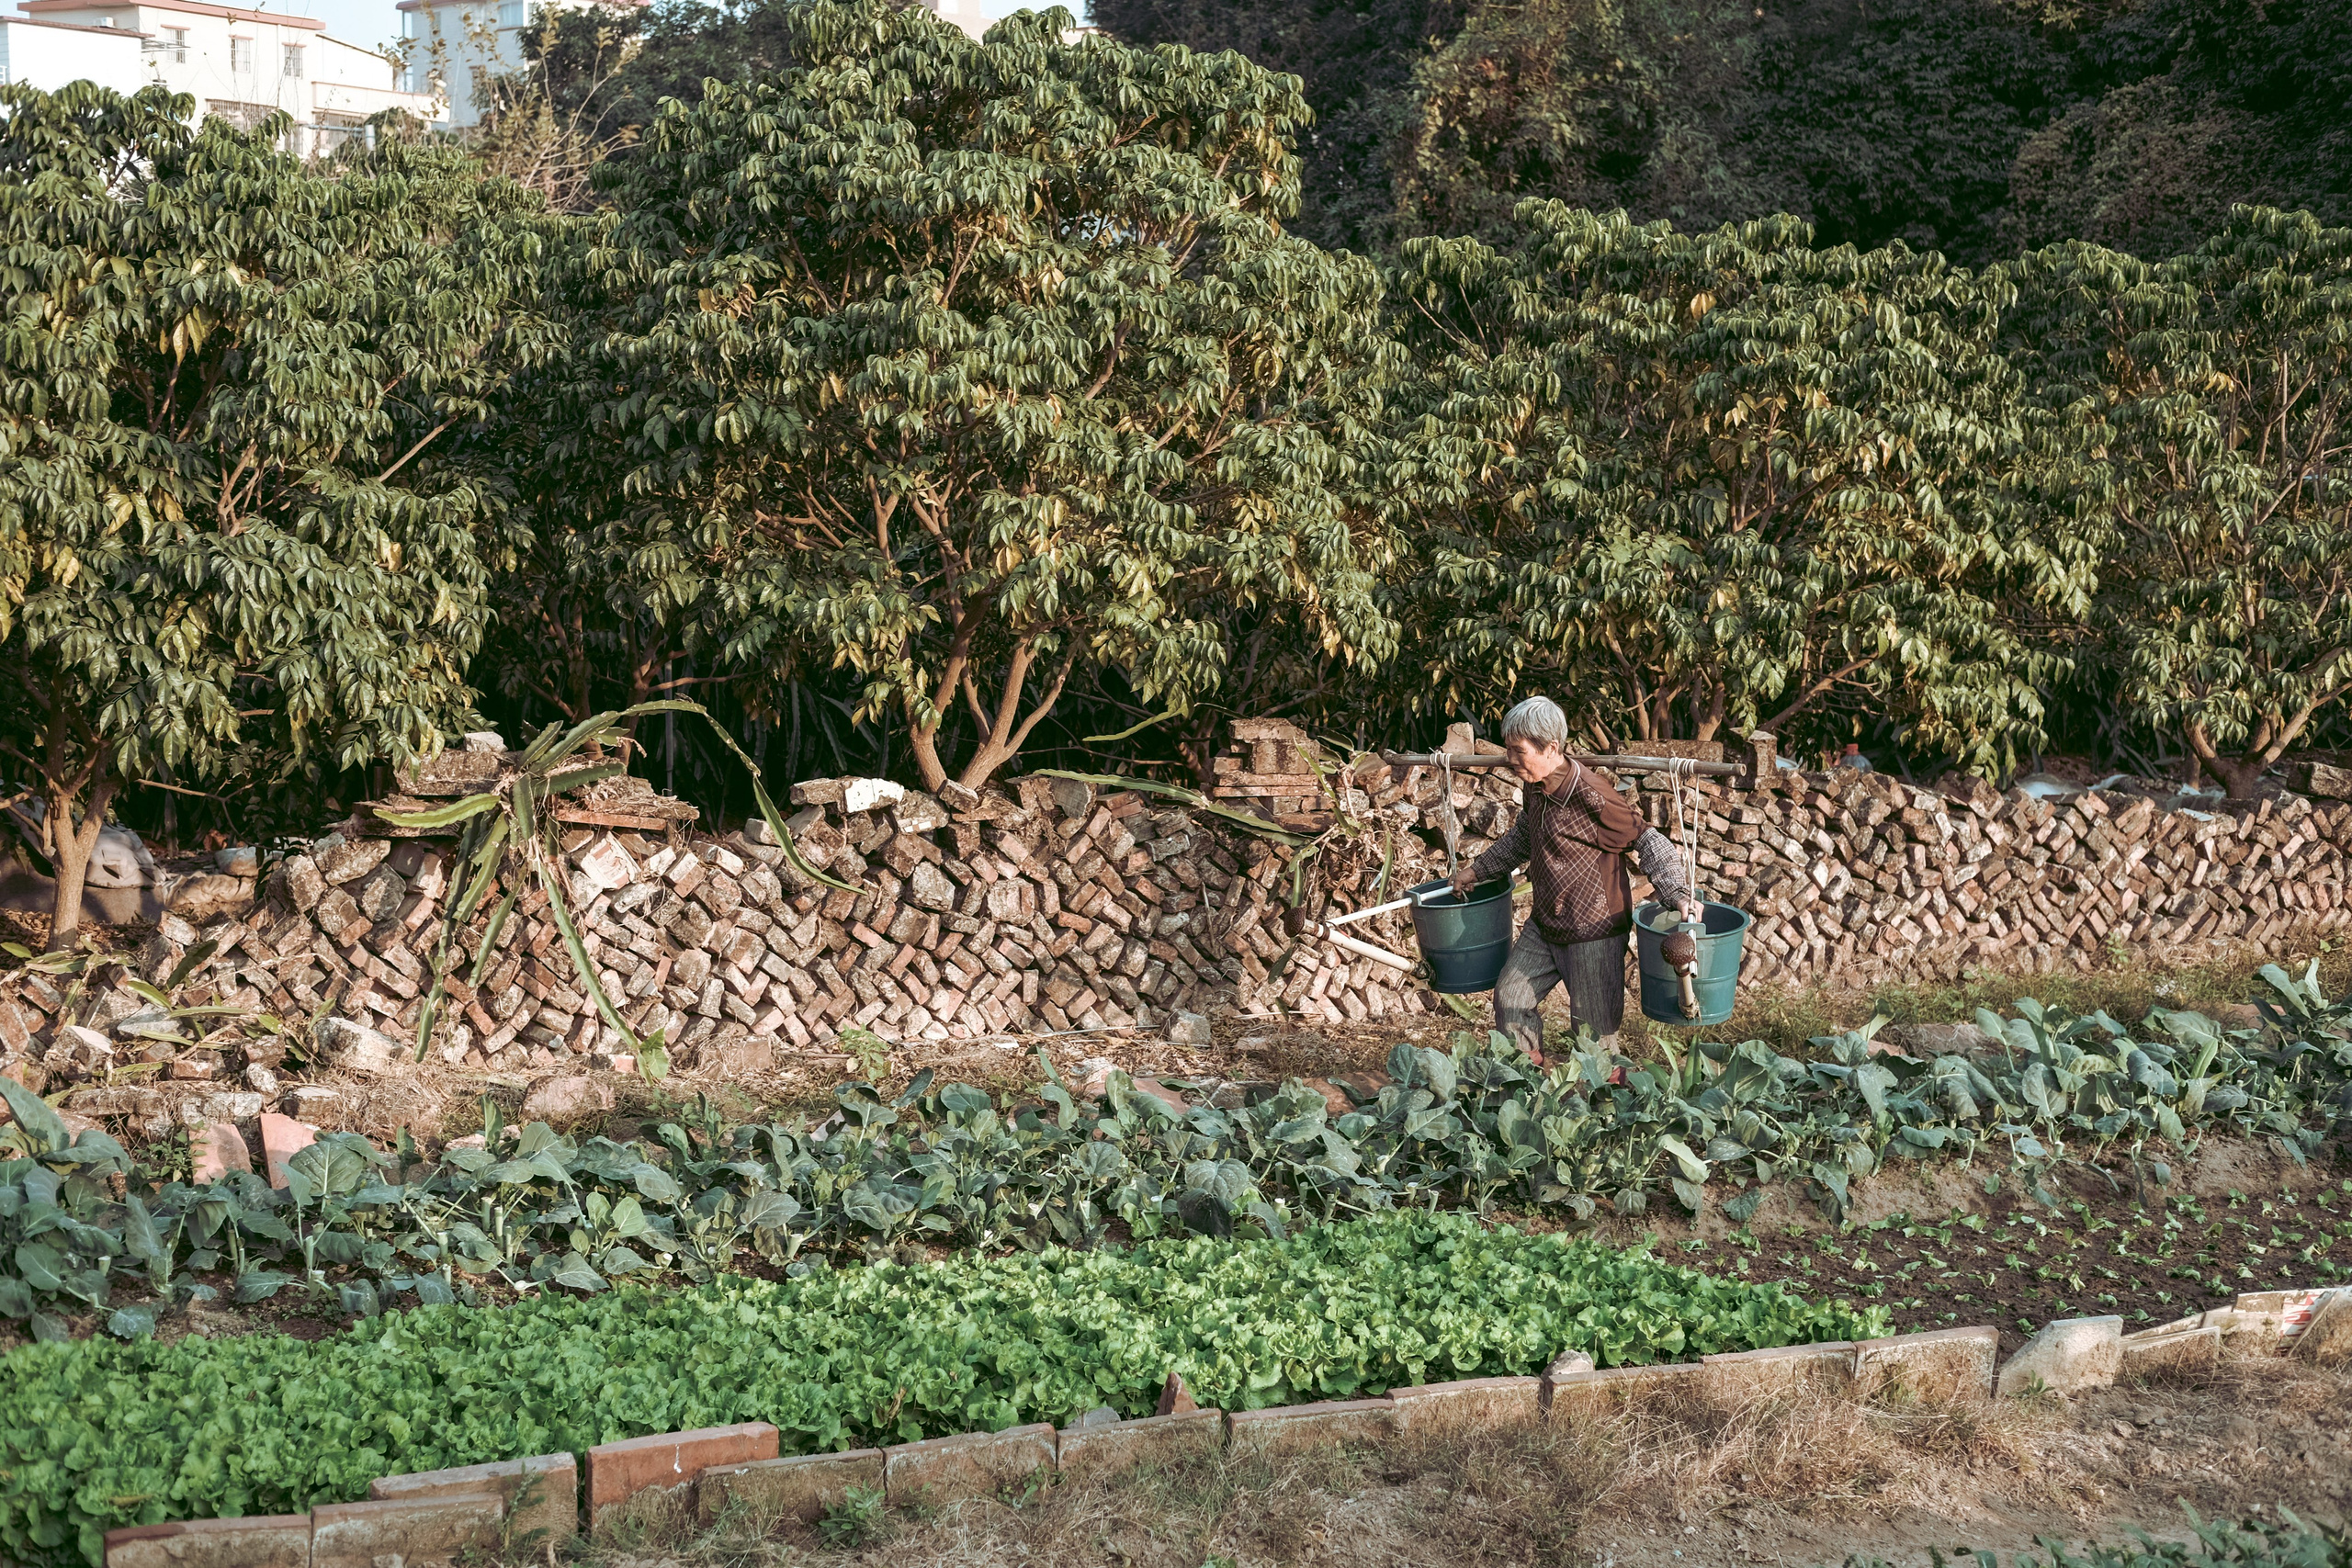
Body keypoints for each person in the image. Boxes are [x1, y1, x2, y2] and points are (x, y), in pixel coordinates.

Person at [1448, 696, 1703, 1062]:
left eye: (1518, 751)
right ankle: (1526, 1084)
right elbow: (1525, 836)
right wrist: (1478, 869)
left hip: (1593, 931)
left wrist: (1677, 894)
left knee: (1594, 1037)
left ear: (1552, 748)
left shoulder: (1592, 795)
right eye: (1508, 750)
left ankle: (1605, 1110)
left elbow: (1646, 837)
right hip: (1546, 923)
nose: (1510, 759)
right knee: (1511, 997)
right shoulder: (1535, 784)